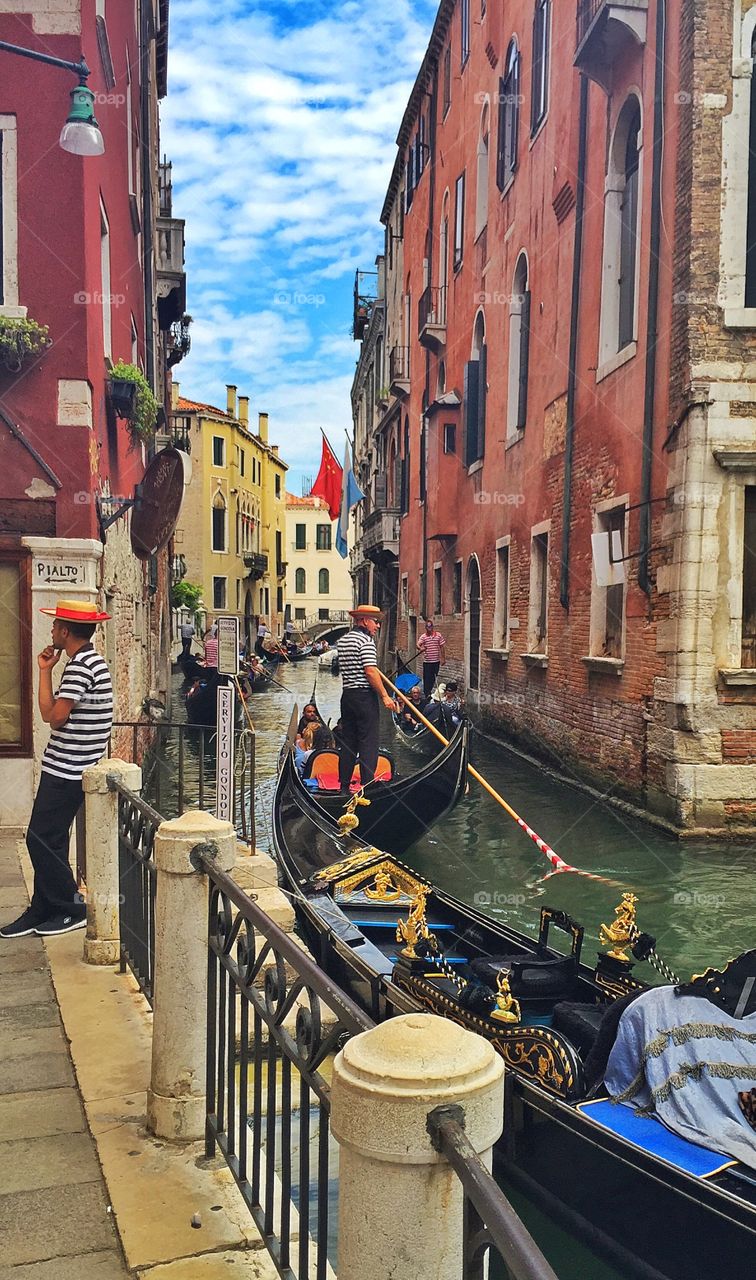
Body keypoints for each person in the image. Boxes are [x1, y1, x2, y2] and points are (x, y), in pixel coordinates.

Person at [0, 599, 113, 939]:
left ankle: (70, 907)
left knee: (39, 839)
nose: (50, 632)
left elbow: (53, 716)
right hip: (67, 766)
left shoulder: (81, 667)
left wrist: (45, 671)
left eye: (54, 627)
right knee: (51, 840)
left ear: (65, 631)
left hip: (69, 770)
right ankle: (44, 907)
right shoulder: (89, 661)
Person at [336, 604, 396, 791]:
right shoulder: (366, 642)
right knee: (369, 741)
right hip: (364, 697)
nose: (377, 626)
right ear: (363, 620)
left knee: (349, 741)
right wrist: (385, 696)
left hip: (347, 696)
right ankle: (368, 785)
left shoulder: (343, 640)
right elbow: (370, 671)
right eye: (375, 622)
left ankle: (344, 785)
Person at [417, 618, 446, 696]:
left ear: (432, 627)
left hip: (436, 662)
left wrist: (443, 658)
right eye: (427, 627)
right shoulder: (423, 637)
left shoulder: (438, 635)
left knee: (433, 679)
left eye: (430, 626)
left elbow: (442, 647)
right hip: (427, 662)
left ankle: (428, 692)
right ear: (425, 628)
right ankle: (427, 694)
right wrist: (421, 648)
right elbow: (418, 644)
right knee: (427, 679)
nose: (429, 628)